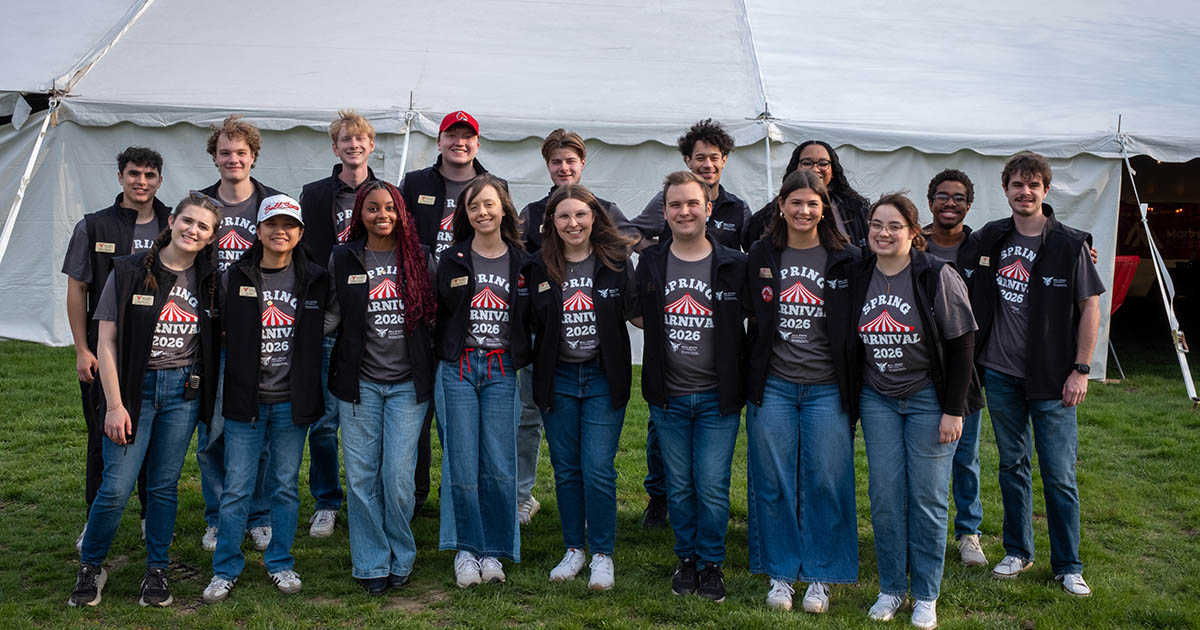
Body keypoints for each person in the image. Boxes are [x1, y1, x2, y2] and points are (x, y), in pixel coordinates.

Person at [960, 151, 1105, 597]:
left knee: (1059, 473)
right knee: (1012, 465)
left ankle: (1068, 565)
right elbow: (943, 253)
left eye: (1033, 185)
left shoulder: (1069, 243)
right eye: (1016, 185)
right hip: (1001, 374)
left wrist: (1081, 369)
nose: (1025, 192)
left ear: (1046, 189)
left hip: (1054, 377)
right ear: (1005, 190)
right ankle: (1018, 551)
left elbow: (1090, 309)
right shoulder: (989, 237)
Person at [68, 193, 222, 607]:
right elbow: (106, 341)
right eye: (188, 221)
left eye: (203, 227)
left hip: (182, 395)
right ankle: (92, 566)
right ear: (171, 221)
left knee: (163, 486)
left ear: (210, 238)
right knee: (116, 486)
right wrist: (115, 405)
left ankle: (157, 570)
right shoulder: (130, 269)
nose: (193, 231)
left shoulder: (210, 279)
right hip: (134, 391)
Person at [851, 193, 980, 629]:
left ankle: (926, 594)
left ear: (913, 232)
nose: (883, 234)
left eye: (893, 226)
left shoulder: (936, 275)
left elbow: (963, 343)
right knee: (885, 498)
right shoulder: (858, 273)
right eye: (876, 225)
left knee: (927, 499)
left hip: (928, 398)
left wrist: (954, 409)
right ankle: (891, 588)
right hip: (878, 399)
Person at [203, 195, 331, 603]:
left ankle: (280, 561)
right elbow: (216, 324)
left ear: (300, 233)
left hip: (292, 402)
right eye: (272, 224)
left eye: (289, 225)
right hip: (246, 401)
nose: (281, 232)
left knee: (284, 487)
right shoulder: (235, 276)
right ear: (257, 230)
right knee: (238, 488)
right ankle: (225, 568)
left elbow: (333, 316)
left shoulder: (313, 276)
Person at [743, 170, 859, 613]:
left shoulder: (846, 257)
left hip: (828, 388)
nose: (804, 211)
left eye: (812, 203)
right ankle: (780, 574)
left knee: (826, 481)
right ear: (781, 205)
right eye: (796, 202)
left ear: (824, 207)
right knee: (772, 481)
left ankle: (820, 575)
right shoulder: (762, 253)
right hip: (773, 385)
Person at [629, 119, 751, 529]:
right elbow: (632, 233)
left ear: (724, 161)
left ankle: (707, 543)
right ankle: (659, 497)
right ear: (688, 159)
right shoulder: (667, 202)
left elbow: (754, 256)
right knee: (661, 435)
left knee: (711, 472)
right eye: (700, 158)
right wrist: (658, 251)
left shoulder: (738, 209)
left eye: (714, 158)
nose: (707, 164)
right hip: (675, 336)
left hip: (719, 327)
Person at [514, 129, 636, 527]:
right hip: (546, 339)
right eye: (556, 162)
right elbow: (517, 262)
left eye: (571, 161)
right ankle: (522, 496)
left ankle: (594, 519)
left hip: (597, 351)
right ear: (547, 166)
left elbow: (629, 246)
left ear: (582, 164)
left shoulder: (605, 208)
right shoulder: (532, 214)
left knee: (596, 457)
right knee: (529, 419)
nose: (564, 168)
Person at [636, 171, 748, 603]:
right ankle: (686, 559)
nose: (684, 211)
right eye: (675, 205)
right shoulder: (650, 262)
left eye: (692, 203)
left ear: (708, 208)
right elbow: (636, 311)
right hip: (670, 396)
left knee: (713, 484)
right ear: (664, 212)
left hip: (718, 398)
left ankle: (712, 564)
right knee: (680, 485)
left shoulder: (733, 264)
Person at [325, 181, 436, 594]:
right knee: (360, 478)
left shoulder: (420, 257)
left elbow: (436, 318)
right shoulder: (344, 257)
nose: (382, 215)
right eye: (373, 208)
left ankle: (401, 554)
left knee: (397, 478)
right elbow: (331, 317)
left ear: (402, 212)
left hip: (408, 385)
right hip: (360, 385)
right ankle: (372, 563)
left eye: (390, 207)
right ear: (360, 213)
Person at [527, 184, 640, 590]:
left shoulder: (615, 261)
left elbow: (639, 313)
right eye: (563, 216)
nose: (572, 223)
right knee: (567, 469)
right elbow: (525, 321)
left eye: (580, 215)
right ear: (552, 223)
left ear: (594, 218)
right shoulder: (537, 266)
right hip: (556, 378)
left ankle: (603, 555)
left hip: (600, 377)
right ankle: (574, 549)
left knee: (597, 468)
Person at [399, 110, 507, 516]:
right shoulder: (416, 183)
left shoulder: (494, 186)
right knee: (417, 406)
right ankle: (414, 491)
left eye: (468, 136)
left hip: (470, 310)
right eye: (452, 135)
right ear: (439, 141)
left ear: (477, 144)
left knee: (461, 414)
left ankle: (460, 491)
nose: (459, 142)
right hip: (421, 308)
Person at [62, 146, 170, 551]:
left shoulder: (173, 222)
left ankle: (148, 515)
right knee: (102, 434)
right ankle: (95, 517)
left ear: (159, 179)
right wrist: (81, 348)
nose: (141, 181)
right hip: (104, 349)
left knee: (155, 437)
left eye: (149, 175)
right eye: (133, 174)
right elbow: (77, 290)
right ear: (120, 177)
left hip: (160, 348)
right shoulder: (94, 226)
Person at [432, 174, 533, 588]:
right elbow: (438, 313)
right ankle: (465, 550)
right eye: (474, 206)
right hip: (458, 367)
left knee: (498, 461)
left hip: (502, 369)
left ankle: (493, 551)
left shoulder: (524, 261)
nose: (482, 212)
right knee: (461, 459)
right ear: (465, 214)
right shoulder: (452, 258)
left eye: (489, 204)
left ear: (504, 207)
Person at [195, 114, 282, 552]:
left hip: (263, 336)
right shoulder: (197, 205)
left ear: (253, 157)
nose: (233, 159)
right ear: (214, 157)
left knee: (258, 429)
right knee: (212, 433)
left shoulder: (272, 203)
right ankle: (216, 516)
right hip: (210, 335)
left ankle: (259, 513)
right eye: (225, 152)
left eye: (240, 153)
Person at [297, 110, 382, 539]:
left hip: (375, 322)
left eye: (360, 140)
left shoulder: (387, 194)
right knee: (326, 421)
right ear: (336, 148)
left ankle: (378, 497)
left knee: (374, 419)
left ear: (370, 145)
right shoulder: (313, 195)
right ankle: (327, 501)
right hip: (328, 319)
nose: (353, 146)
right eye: (345, 141)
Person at [921, 169, 989, 567]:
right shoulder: (913, 242)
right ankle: (920, 527)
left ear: (969, 204)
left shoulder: (983, 246)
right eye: (943, 196)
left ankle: (968, 532)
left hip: (967, 364)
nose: (951, 203)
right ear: (930, 200)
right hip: (916, 366)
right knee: (921, 453)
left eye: (959, 197)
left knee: (965, 454)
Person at [746, 140, 871, 250]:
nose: (815, 169)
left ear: (833, 170)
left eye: (823, 163)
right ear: (796, 168)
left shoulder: (856, 210)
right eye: (807, 163)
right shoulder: (769, 214)